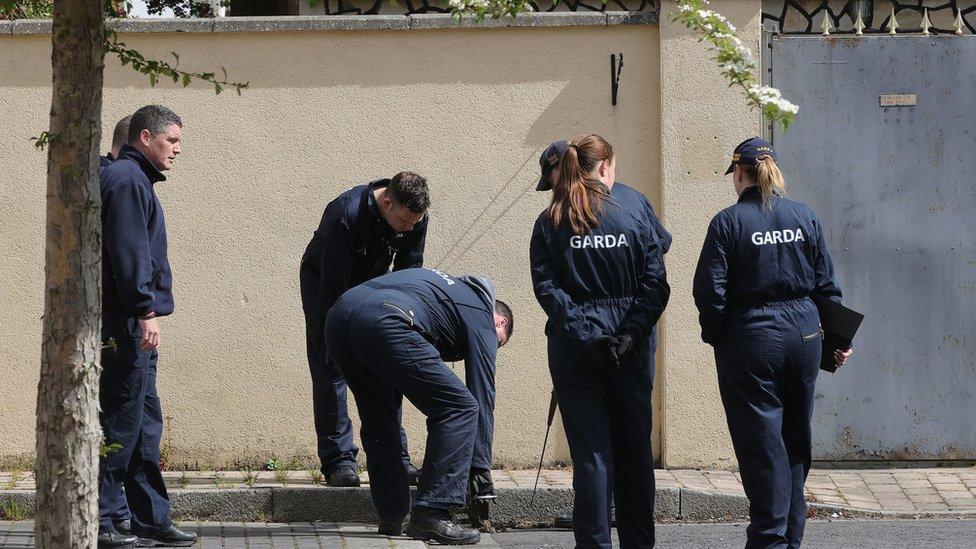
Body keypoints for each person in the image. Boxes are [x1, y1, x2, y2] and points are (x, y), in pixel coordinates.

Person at [693, 137, 853, 549]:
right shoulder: (804, 216)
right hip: (805, 336)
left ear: (740, 174)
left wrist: (721, 338)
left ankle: (769, 541)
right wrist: (835, 341)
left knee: (762, 447)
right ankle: (789, 542)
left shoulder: (728, 223)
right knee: (794, 444)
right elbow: (827, 288)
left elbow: (709, 293)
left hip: (752, 339)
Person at [530, 134, 671, 548]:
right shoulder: (634, 206)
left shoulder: (551, 218)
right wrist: (630, 334)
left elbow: (547, 289)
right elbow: (656, 284)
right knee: (634, 453)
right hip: (632, 341)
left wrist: (588, 335)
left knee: (591, 457)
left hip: (576, 347)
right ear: (605, 165)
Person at [325, 267, 513, 544]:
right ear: (500, 322)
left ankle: (392, 515)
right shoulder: (481, 312)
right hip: (387, 318)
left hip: (339, 317)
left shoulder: (442, 291)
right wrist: (480, 469)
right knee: (459, 407)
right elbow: (482, 392)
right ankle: (433, 512)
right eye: (498, 344)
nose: (492, 349)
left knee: (379, 415)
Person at [98, 105, 196, 547]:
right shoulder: (126, 181)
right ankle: (100, 519)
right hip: (127, 323)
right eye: (171, 140)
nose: (177, 148)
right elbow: (129, 250)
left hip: (135, 323)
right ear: (144, 138)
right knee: (121, 423)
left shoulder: (135, 181)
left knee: (143, 425)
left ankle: (148, 518)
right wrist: (145, 310)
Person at [300, 173, 429, 487]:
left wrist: (404, 318)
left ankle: (394, 458)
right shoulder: (345, 213)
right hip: (326, 285)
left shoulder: (414, 216)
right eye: (404, 222)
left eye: (415, 223)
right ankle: (339, 460)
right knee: (331, 366)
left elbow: (409, 272)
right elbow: (332, 282)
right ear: (386, 202)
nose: (410, 228)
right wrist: (333, 333)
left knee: (386, 366)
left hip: (374, 285)